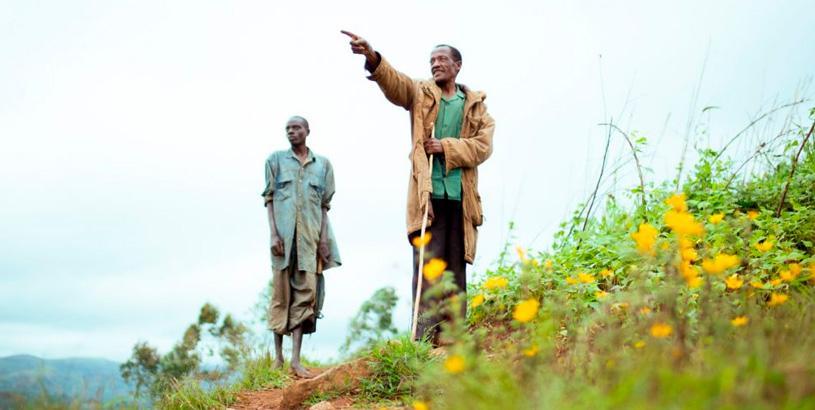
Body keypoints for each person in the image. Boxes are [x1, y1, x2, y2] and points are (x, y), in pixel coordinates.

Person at [341, 31, 495, 344]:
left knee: (454, 266)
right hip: (429, 199)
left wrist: (445, 147)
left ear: (457, 66)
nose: (435, 65)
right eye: (432, 61)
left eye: (442, 60)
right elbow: (395, 83)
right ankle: (423, 336)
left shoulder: (476, 107)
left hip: (461, 197)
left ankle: (452, 335)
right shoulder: (421, 92)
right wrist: (373, 57)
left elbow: (483, 147)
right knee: (427, 266)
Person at [262, 115, 340, 378]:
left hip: (310, 240)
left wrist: (324, 240)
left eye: (296, 128)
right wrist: (274, 235)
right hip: (283, 242)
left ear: (308, 131)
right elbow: (269, 199)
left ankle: (296, 360)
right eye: (287, 129)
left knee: (305, 296)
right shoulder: (275, 161)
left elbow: (324, 207)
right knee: (280, 295)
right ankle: (278, 358)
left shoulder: (324, 165)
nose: (291, 132)